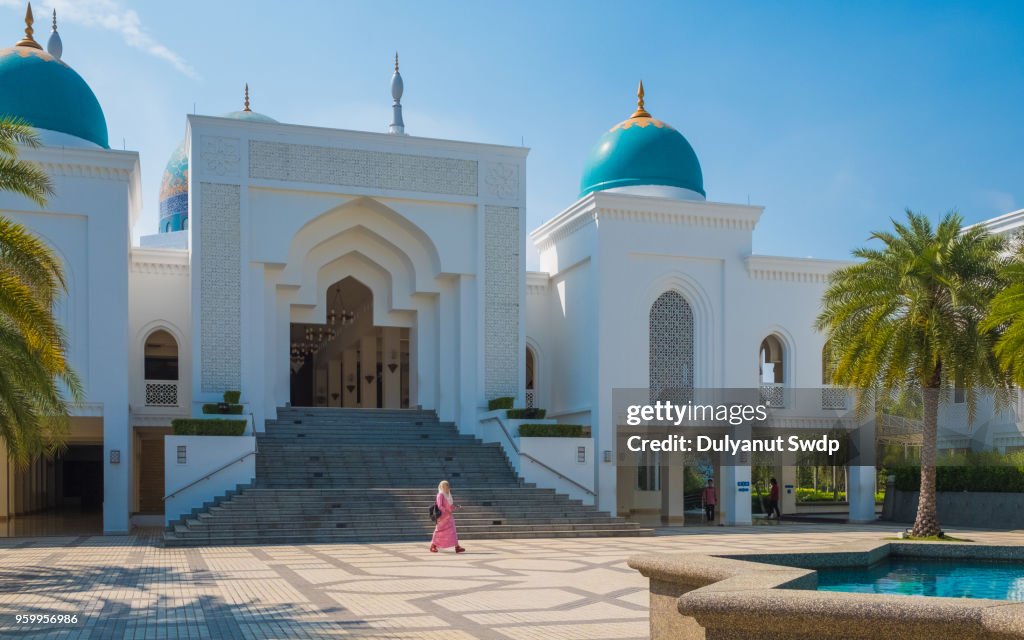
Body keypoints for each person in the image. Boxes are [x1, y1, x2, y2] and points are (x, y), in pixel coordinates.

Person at [430, 480, 465, 553]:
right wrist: (447, 511)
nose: (447, 487)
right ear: (442, 486)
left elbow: (450, 506)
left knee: (453, 531)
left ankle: (457, 547)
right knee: (438, 531)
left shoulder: (448, 495)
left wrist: (456, 507)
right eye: (445, 486)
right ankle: (433, 545)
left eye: (447, 485)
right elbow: (440, 506)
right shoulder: (440, 495)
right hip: (442, 518)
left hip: (449, 517)